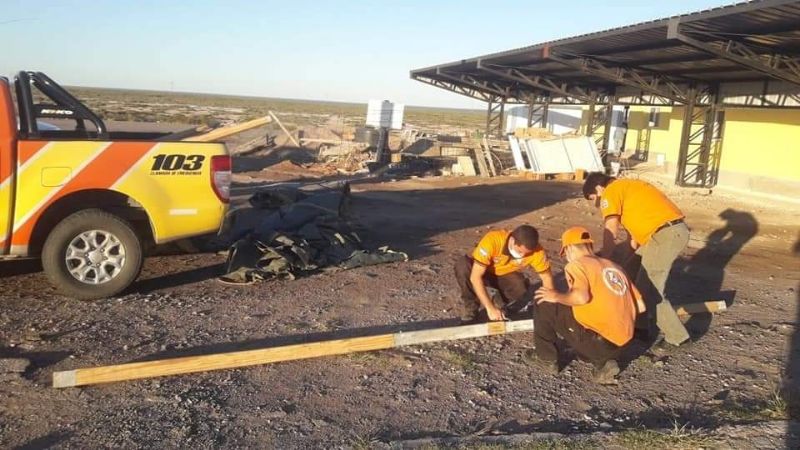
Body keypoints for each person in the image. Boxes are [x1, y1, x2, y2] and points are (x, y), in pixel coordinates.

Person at [582, 173, 691, 346]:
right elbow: (633, 241)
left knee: (650, 289)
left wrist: (603, 261)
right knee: (628, 276)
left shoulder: (611, 191)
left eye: (595, 199)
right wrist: (619, 266)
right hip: (661, 234)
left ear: (598, 188)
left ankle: (678, 337)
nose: (597, 204)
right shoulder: (628, 188)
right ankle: (640, 328)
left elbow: (611, 227)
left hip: (664, 235)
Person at [533, 226, 646, 384]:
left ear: (569, 248)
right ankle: (602, 361)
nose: (566, 257)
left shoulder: (577, 265)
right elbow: (640, 306)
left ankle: (546, 359)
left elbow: (581, 297)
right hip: (622, 343)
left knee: (544, 301)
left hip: (598, 342)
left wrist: (556, 296)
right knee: (571, 308)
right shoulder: (614, 267)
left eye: (565, 253)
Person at [454, 225, 554, 323]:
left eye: (527, 253)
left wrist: (549, 306)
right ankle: (471, 309)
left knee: (520, 286)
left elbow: (546, 278)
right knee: (463, 266)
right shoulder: (493, 240)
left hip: (502, 274)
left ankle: (500, 305)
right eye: (520, 251)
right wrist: (489, 308)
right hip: (479, 270)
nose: (522, 255)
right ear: (512, 240)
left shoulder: (538, 251)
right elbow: (475, 277)